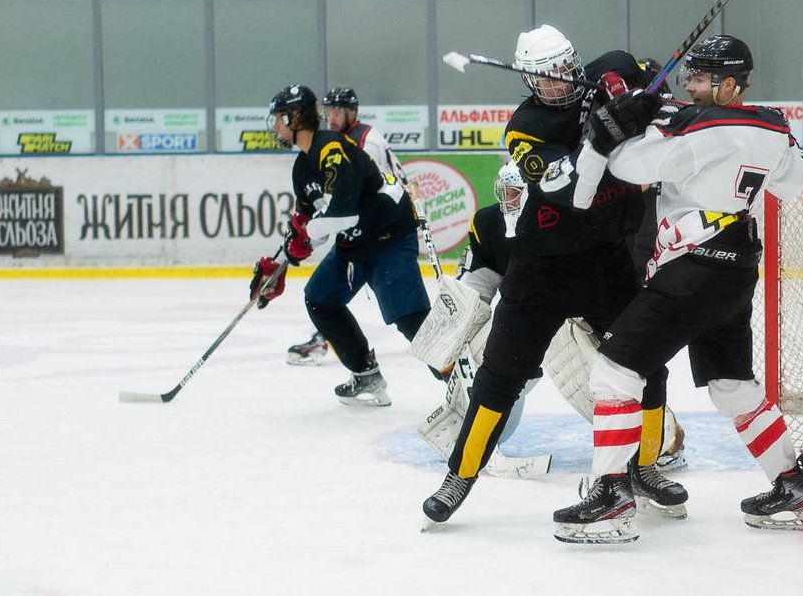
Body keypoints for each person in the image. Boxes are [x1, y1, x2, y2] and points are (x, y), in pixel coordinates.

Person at [551, 34, 803, 543]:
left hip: (691, 270)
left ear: (730, 84)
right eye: (689, 77)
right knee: (732, 385)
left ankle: (609, 493)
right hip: (736, 268)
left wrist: (615, 128)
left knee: (614, 370)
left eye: (699, 79)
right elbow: (794, 183)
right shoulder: (774, 125)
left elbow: (630, 167)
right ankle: (790, 482)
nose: (689, 87)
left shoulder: (698, 126)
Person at [421, 26, 686, 526]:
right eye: (547, 78)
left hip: (606, 263)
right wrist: (603, 132)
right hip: (541, 272)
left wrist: (640, 93)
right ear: (529, 81)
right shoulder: (526, 125)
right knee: (499, 378)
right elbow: (566, 184)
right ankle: (460, 475)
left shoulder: (606, 71)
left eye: (566, 70)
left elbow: (655, 83)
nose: (560, 84)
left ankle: (645, 467)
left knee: (647, 364)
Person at [414, 162, 687, 476]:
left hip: (584, 318)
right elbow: (475, 285)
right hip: (528, 317)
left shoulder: (573, 216)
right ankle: (477, 437)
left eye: (518, 194)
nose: (511, 202)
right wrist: (447, 338)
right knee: (485, 352)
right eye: (507, 193)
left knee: (600, 378)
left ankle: (664, 440)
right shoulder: (489, 223)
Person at [251, 84, 430, 406]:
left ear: (295, 117)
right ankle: (365, 374)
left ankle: (463, 380)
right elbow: (305, 222)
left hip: (387, 237)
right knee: (320, 298)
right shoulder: (302, 166)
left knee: (410, 319)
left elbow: (343, 212)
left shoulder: (332, 148)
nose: (275, 126)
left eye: (279, 118)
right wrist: (278, 266)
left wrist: (302, 244)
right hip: (355, 244)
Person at [286, 87, 412, 367]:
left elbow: (367, 192)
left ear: (352, 112)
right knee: (323, 295)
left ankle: (451, 363)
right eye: (328, 112)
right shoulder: (332, 142)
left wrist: (319, 227)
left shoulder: (364, 139)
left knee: (407, 315)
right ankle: (329, 338)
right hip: (362, 228)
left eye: (338, 112)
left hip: (385, 228)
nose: (332, 118)